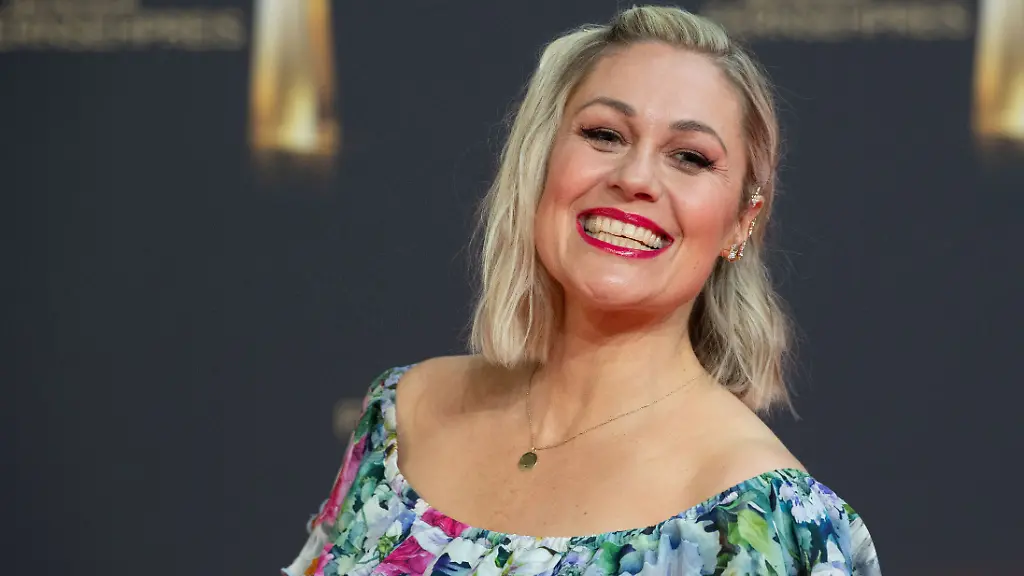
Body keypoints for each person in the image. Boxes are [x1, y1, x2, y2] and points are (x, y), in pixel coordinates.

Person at [283, 5, 880, 575]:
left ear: (741, 223)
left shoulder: (763, 518)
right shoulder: (402, 414)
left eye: (690, 157)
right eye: (604, 134)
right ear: (541, 162)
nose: (635, 178)